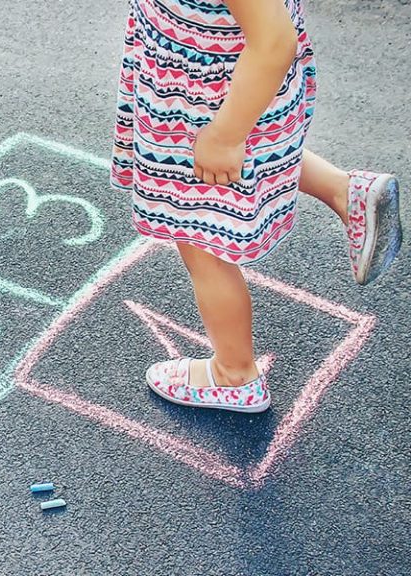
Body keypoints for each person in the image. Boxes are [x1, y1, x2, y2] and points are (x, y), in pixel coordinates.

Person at [110, 0, 403, 413]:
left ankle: (234, 375)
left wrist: (225, 135)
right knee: (257, 161)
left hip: (214, 103)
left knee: (201, 237)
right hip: (217, 84)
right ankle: (345, 192)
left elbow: (272, 42)